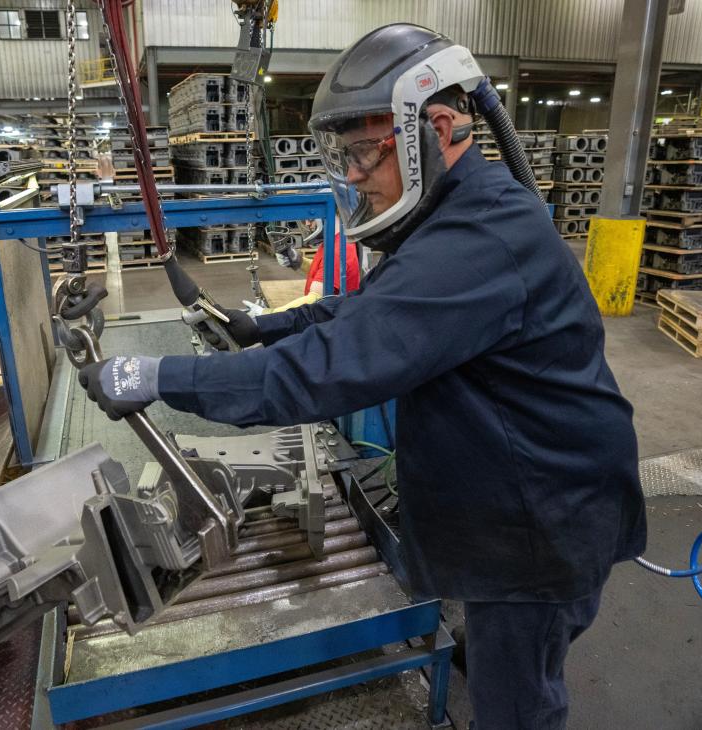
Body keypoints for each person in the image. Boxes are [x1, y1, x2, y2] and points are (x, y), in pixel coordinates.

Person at [79, 23, 646, 730]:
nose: (350, 175)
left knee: (518, 705)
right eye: (341, 155)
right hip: (524, 488)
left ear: (436, 127)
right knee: (509, 660)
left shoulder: (483, 237)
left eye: (363, 153)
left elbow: (327, 372)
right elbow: (376, 307)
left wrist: (155, 375)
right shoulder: (462, 214)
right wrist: (268, 325)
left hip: (539, 526)